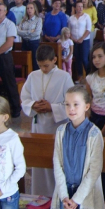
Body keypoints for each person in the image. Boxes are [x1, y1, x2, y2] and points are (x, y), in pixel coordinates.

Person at [21, 44, 74, 196]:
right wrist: (33, 105)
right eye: (40, 66)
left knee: (56, 163)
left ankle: (58, 196)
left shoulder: (64, 77)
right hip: (39, 126)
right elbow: (24, 97)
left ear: (54, 60)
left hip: (57, 126)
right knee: (40, 164)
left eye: (46, 65)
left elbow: (72, 103)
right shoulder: (33, 76)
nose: (43, 69)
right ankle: (40, 195)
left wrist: (52, 107)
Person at [52, 86, 104, 209]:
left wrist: (77, 199)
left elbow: (95, 170)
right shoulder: (61, 131)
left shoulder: (94, 134)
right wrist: (63, 194)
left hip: (86, 192)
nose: (71, 109)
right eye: (67, 104)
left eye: (76, 104)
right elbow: (57, 163)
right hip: (65, 191)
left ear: (86, 106)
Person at [69, 0, 92, 81]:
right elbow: (69, 30)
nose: (80, 8)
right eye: (78, 6)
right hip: (74, 41)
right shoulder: (71, 18)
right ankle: (80, 77)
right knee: (77, 58)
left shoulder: (86, 16)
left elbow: (88, 29)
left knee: (84, 58)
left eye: (81, 6)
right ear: (75, 8)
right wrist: (73, 38)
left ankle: (89, 76)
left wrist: (82, 38)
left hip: (84, 40)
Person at [17, 2, 42, 70]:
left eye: (31, 8)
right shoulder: (23, 20)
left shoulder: (38, 20)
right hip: (25, 43)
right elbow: (18, 32)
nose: (29, 10)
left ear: (34, 9)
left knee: (35, 63)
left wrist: (24, 32)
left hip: (34, 43)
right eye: (27, 8)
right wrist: (29, 32)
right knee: (25, 63)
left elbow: (37, 33)